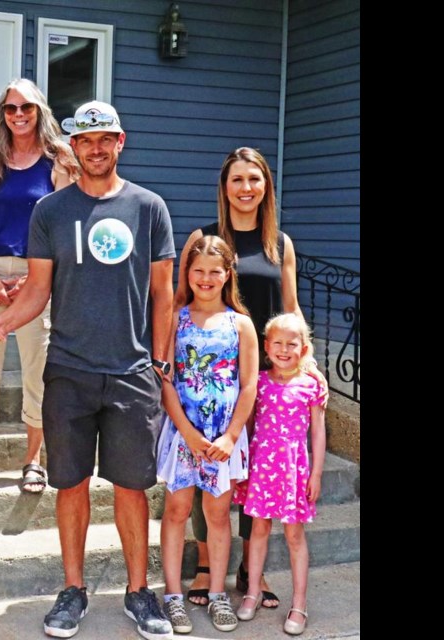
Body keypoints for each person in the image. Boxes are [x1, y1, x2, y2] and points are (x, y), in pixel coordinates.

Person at [0, 101, 175, 640]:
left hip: (131, 370)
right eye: (85, 140)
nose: (95, 148)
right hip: (68, 369)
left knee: (132, 488)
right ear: (72, 146)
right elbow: (37, 292)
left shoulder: (149, 207)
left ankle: (140, 592)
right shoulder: (50, 210)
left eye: (105, 139)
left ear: (120, 142)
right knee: (69, 485)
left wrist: (158, 361)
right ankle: (73, 590)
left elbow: (163, 294)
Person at [175, 147, 300, 608]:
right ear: (223, 188)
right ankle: (207, 562)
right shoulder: (203, 238)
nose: (246, 188)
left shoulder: (280, 245)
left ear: (266, 186)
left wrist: (306, 365)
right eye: (237, 180)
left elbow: (291, 309)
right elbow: (180, 304)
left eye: (255, 179)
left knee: (254, 477)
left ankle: (252, 567)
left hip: (266, 379)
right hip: (210, 383)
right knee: (208, 468)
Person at [0, 78, 78, 495]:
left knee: (37, 370)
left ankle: (33, 460)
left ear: (39, 111)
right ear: (2, 115)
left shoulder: (56, 162)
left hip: (38, 274)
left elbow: (65, 228)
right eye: (10, 109)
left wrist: (33, 280)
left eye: (26, 107)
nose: (19, 115)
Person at [157, 236, 258, 634]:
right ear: (188, 273)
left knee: (217, 515)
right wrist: (186, 430)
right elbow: (166, 378)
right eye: (198, 270)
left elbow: (248, 385)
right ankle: (172, 596)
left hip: (222, 440)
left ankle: (218, 594)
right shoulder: (175, 317)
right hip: (183, 435)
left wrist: (231, 436)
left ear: (227, 274)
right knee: (177, 511)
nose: (206, 278)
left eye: (214, 271)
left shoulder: (241, 324)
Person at [235, 313, 327, 636]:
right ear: (266, 346)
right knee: (258, 529)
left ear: (303, 350)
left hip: (293, 473)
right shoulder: (258, 382)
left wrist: (316, 473)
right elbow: (247, 425)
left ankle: (299, 603)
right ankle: (252, 591)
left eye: (292, 344)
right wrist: (241, 465)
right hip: (261, 469)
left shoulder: (311, 385)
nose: (284, 349)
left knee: (294, 535)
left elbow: (317, 432)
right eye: (278, 343)